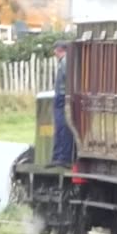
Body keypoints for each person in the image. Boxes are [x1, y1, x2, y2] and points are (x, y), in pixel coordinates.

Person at [50, 40, 75, 168]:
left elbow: (67, 82)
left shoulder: (65, 62)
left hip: (62, 97)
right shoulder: (66, 61)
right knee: (60, 126)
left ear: (58, 50)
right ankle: (59, 156)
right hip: (62, 96)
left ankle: (62, 157)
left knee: (62, 126)